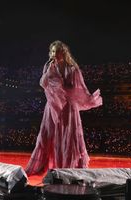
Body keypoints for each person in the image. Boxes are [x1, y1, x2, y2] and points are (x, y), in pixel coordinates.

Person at [25, 40, 102, 176]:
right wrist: (49, 73)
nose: (55, 54)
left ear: (64, 52)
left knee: (69, 137)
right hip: (52, 106)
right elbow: (43, 84)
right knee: (47, 135)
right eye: (53, 51)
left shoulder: (72, 68)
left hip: (68, 107)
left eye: (58, 51)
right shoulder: (49, 66)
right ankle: (42, 166)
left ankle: (67, 167)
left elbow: (77, 88)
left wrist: (61, 87)